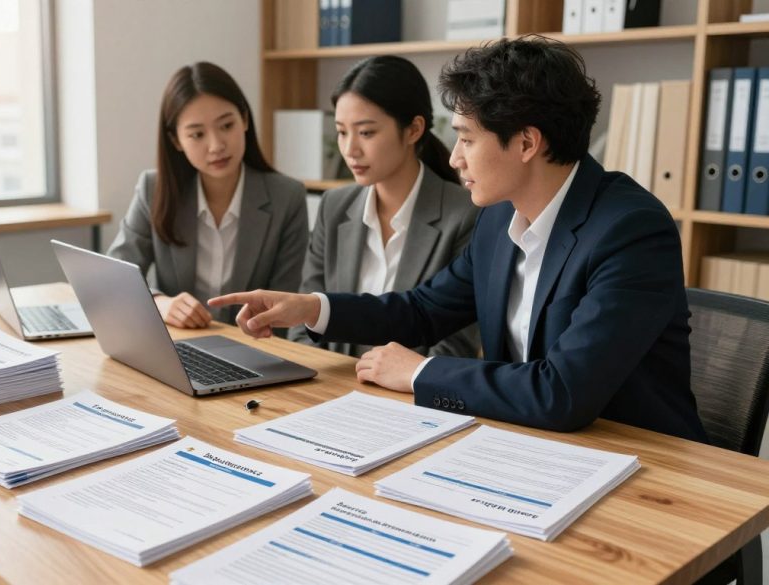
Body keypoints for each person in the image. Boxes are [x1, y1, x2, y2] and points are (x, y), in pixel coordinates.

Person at [211, 36, 707, 442]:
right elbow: (423, 310)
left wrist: (419, 373)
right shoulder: (499, 219)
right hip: (528, 444)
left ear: (527, 143)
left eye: (467, 138)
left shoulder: (631, 230)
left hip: (637, 465)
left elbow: (563, 392)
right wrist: (311, 308)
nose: (453, 158)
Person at [289, 55, 479, 359]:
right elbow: (303, 323)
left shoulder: (465, 215)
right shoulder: (333, 206)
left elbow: (455, 346)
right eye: (341, 132)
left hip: (409, 398)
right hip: (330, 392)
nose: (350, 149)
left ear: (414, 130)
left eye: (366, 132)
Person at [108, 62, 308, 327]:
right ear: (176, 140)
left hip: (255, 350)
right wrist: (159, 303)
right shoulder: (153, 189)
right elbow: (113, 278)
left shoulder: (287, 197)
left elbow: (287, 305)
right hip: (176, 346)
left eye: (226, 126)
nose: (216, 146)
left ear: (244, 120)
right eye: (197, 134)